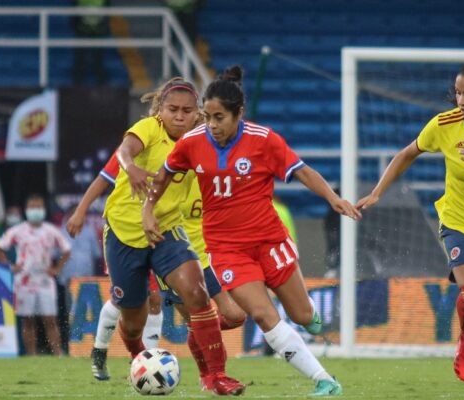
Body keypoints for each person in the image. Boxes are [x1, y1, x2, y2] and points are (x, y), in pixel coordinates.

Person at [143, 66, 360, 396]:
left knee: (302, 315)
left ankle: (309, 317)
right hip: (228, 250)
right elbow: (163, 176)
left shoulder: (263, 140)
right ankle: (324, 379)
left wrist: (333, 198)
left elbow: (301, 171)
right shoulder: (191, 143)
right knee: (262, 314)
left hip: (269, 240)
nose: (212, 125)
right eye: (208, 116)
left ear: (238, 114)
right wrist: (148, 209)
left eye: (219, 118)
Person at [355, 61, 464, 395]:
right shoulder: (444, 124)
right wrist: (378, 192)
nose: (461, 101)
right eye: (457, 93)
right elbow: (407, 154)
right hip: (460, 222)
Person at [101, 77, 245, 395]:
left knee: (197, 293)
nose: (179, 116)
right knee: (135, 318)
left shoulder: (200, 140)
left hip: (167, 228)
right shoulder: (149, 129)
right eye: (172, 110)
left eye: (186, 111)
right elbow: (125, 150)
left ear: (197, 114)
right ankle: (138, 355)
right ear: (160, 110)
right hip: (125, 232)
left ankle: (216, 377)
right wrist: (131, 168)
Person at [69, 145, 245, 388]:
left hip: (178, 246)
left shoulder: (198, 150)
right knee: (130, 303)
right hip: (130, 237)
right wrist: (81, 211)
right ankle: (103, 351)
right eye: (173, 110)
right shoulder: (139, 145)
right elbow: (105, 177)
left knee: (222, 314)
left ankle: (203, 372)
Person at [0, 194, 72, 356]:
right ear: (26, 210)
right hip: (24, 281)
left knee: (50, 319)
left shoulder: (51, 231)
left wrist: (57, 268)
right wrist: (9, 266)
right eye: (32, 207)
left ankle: (57, 352)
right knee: (27, 320)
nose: (35, 210)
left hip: (45, 280)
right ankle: (32, 354)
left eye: (38, 207)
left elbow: (66, 249)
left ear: (43, 210)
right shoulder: (18, 230)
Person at [57, 204, 103, 354]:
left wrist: (96, 278)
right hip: (67, 280)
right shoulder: (59, 232)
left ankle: (88, 346)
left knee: (88, 313)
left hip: (87, 281)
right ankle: (69, 345)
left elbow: (96, 256)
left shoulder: (89, 231)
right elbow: (53, 256)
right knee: (69, 312)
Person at [72, 0, 109, 85]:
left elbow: (107, 10)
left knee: (98, 60)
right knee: (81, 60)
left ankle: (101, 85)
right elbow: (74, 11)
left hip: (98, 30)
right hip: (83, 30)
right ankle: (77, 85)